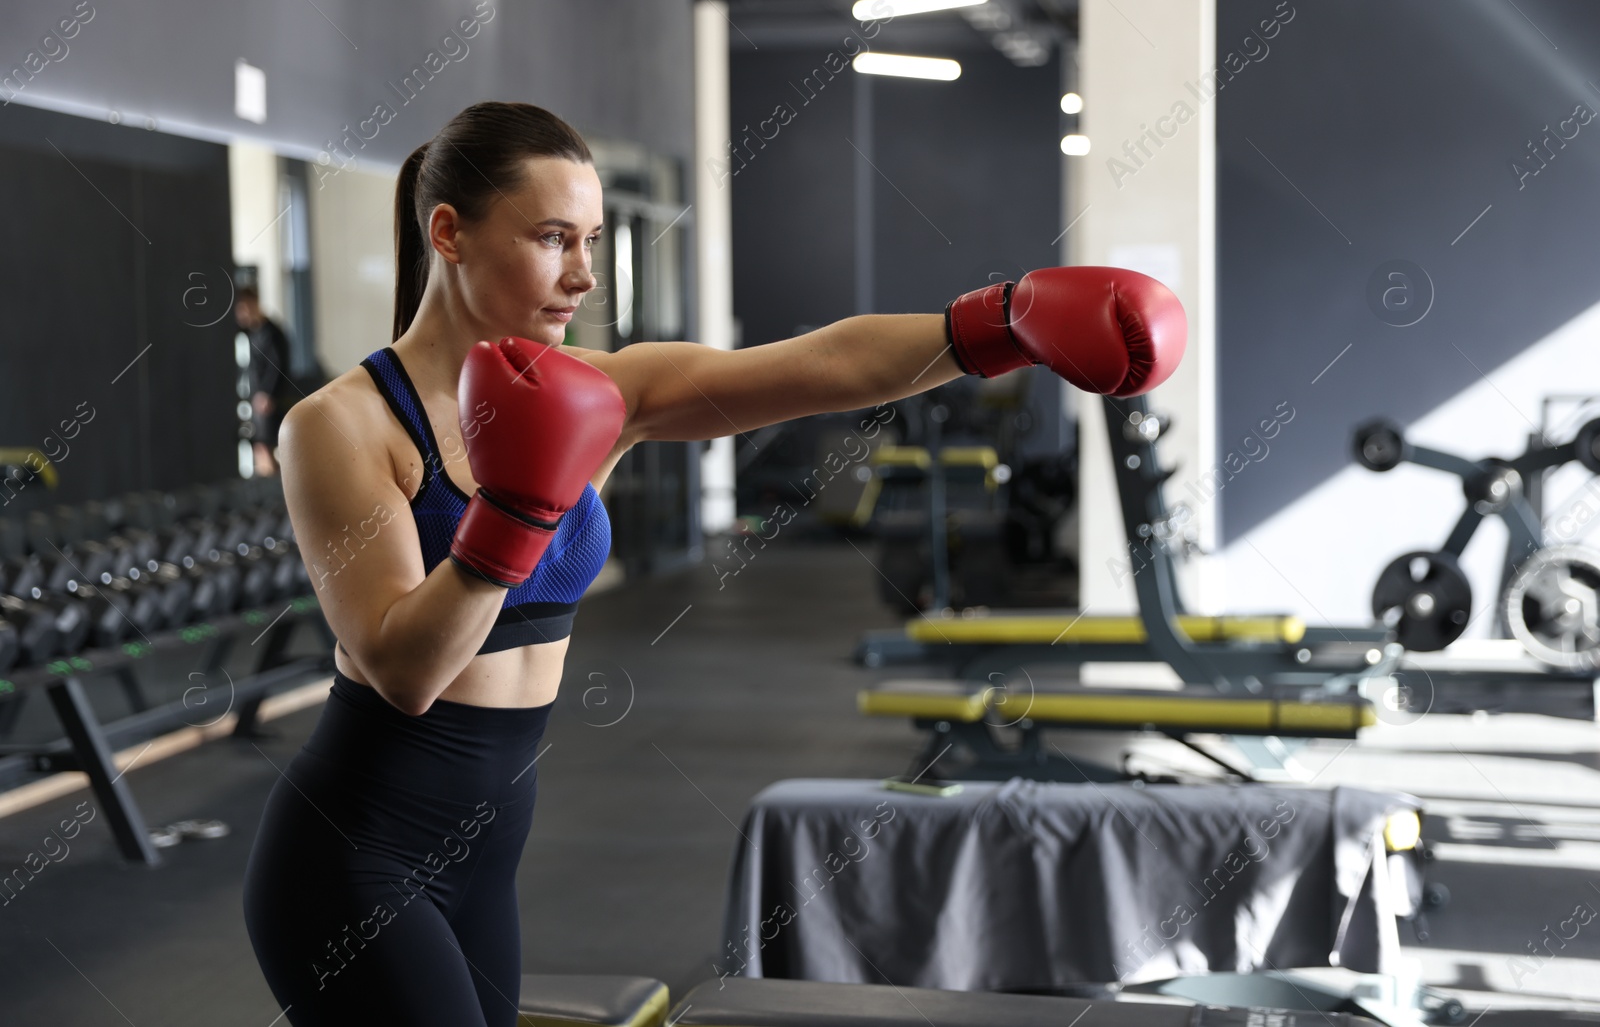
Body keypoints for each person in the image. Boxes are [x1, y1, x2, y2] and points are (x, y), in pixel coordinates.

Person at [240, 100, 1186, 1026]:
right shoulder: (342, 425)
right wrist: (515, 508)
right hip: (352, 860)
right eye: (552, 239)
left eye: (594, 243)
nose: (583, 277)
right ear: (449, 232)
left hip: (486, 868)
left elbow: (820, 366)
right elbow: (406, 669)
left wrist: (998, 324)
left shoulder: (601, 393)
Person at [235, 284, 292, 477]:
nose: (241, 314)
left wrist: (268, 394)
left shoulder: (273, 333)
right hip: (259, 400)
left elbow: (277, 367)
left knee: (265, 446)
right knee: (260, 446)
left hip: (268, 401)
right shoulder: (253, 333)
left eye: (243, 307)